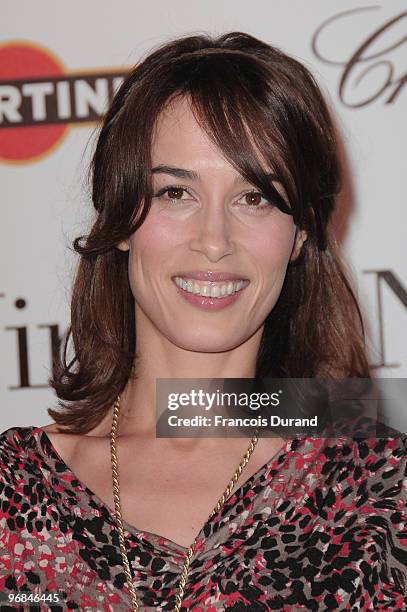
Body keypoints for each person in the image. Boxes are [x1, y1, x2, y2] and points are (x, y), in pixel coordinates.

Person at [1, 31, 406, 612]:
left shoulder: (379, 496)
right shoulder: (11, 492)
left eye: (255, 198)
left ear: (299, 235)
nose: (213, 242)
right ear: (120, 219)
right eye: (175, 192)